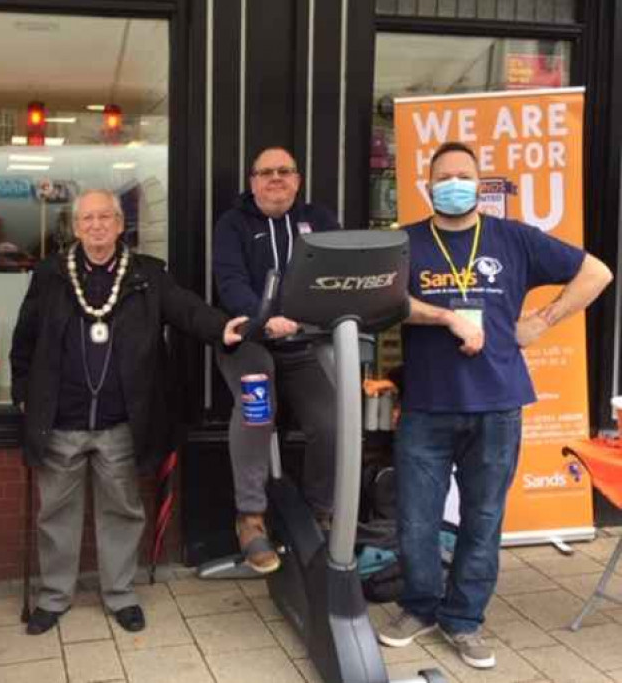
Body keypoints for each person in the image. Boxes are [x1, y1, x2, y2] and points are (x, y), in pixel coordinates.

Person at [377, 141, 612, 670]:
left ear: (479, 184)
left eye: (464, 174)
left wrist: (544, 320)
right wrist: (444, 317)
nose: (453, 182)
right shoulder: (407, 242)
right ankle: (419, 608)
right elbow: (384, 302)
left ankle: (464, 620)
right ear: (427, 185)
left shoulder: (513, 239)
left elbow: (596, 272)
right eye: (444, 176)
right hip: (427, 405)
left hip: (498, 403)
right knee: (416, 520)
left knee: (484, 518)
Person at [10, 189, 247, 635]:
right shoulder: (51, 274)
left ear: (121, 225)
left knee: (122, 510)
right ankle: (54, 597)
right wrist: (23, 392)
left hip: (121, 420)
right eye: (87, 219)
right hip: (62, 419)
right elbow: (25, 339)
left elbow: (186, 310)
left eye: (105, 218)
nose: (96, 226)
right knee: (55, 514)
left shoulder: (147, 274)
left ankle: (119, 594)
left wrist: (222, 328)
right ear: (75, 227)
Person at [212, 146, 340, 573]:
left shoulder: (318, 222)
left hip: (301, 343)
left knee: (332, 422)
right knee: (257, 399)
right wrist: (264, 319)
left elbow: (336, 273)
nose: (275, 179)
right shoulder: (233, 224)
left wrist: (304, 318)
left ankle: (319, 511)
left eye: (284, 171)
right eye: (265, 173)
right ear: (252, 182)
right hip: (248, 340)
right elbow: (229, 281)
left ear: (297, 180)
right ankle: (249, 518)